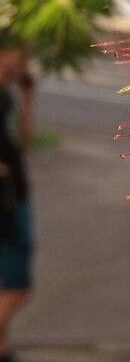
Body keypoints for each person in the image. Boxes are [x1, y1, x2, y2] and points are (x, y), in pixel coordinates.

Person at [0, 45, 34, 362]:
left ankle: (3, 347)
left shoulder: (8, 96)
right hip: (6, 202)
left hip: (17, 195)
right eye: (16, 57)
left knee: (6, 283)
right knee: (19, 286)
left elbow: (24, 143)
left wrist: (28, 100)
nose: (21, 65)